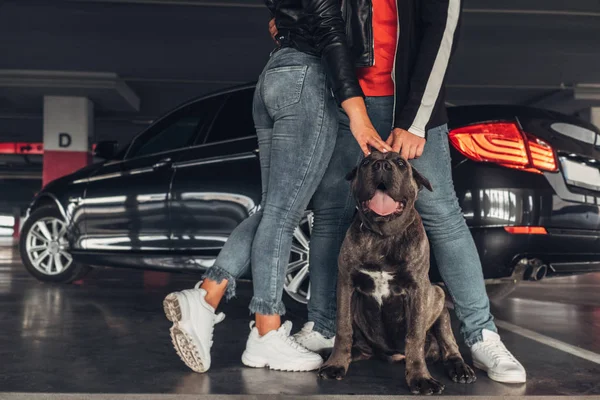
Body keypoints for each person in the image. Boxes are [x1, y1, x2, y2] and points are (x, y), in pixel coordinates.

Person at [276, 0, 527, 384]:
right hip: (344, 100)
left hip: (409, 105)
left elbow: (442, 32)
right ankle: (323, 326)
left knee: (442, 214)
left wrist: (416, 120)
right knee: (331, 212)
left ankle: (481, 335)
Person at [162, 0, 391, 373]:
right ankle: (266, 329)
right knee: (284, 213)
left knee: (275, 208)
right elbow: (331, 29)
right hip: (308, 78)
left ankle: (208, 296)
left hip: (276, 73)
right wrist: (357, 111)